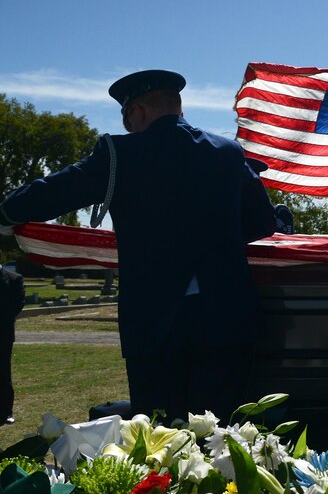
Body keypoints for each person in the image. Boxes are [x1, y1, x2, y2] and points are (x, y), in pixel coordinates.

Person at [0, 70, 277, 423]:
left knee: (159, 444)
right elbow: (262, 222)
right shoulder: (228, 152)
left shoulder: (119, 154)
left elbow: (58, 190)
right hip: (227, 320)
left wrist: (8, 212)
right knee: (222, 440)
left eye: (128, 118)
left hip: (155, 324)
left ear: (139, 112)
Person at [0, 262, 24, 424]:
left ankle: (5, 412)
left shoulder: (14, 279)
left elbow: (17, 304)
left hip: (3, 333)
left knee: (3, 373)